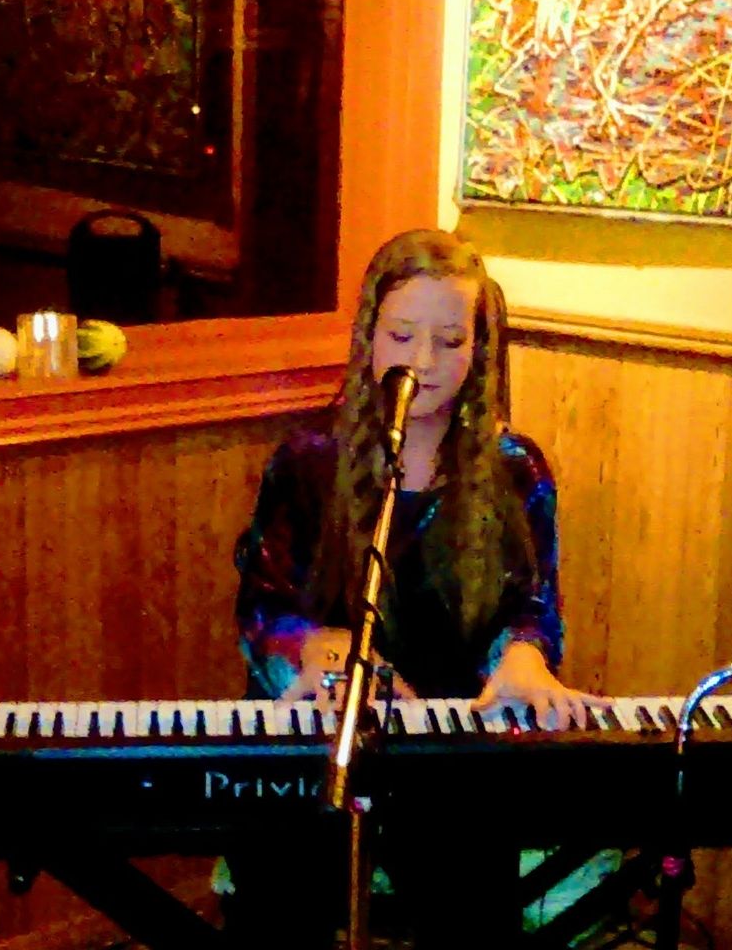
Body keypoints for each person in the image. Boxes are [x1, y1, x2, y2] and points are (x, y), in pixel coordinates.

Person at [227, 228, 604, 947]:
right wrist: (321, 649)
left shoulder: (516, 470)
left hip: (448, 755)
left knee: (471, 912)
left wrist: (523, 658)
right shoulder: (306, 463)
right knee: (278, 903)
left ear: (479, 352)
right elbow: (262, 609)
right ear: (369, 337)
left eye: (450, 341)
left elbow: (532, 608)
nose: (423, 363)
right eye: (402, 336)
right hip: (316, 745)